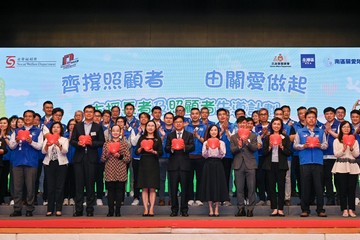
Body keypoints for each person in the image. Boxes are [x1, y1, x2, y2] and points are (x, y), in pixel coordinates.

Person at [70, 105, 105, 217]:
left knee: (90, 185)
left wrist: (92, 144)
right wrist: (78, 144)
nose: (89, 114)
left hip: (91, 158)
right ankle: (79, 209)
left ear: (94, 114)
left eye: (91, 112)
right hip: (79, 158)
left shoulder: (98, 127)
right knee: (79, 185)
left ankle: (90, 209)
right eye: (87, 112)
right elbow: (72, 141)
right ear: (84, 113)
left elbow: (102, 142)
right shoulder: (78, 126)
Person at [294, 110, 328, 217]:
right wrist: (303, 146)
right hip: (305, 162)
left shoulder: (321, 132)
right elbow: (295, 145)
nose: (311, 119)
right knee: (305, 186)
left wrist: (319, 146)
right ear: (305, 119)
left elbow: (325, 145)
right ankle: (305, 209)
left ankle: (320, 209)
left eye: (313, 117)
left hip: (318, 162)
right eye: (309, 117)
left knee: (319, 187)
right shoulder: (300, 131)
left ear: (316, 119)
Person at [9, 110, 43, 217]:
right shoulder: (17, 131)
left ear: (34, 118)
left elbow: (40, 146)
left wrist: (30, 141)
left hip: (31, 162)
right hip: (18, 161)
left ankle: (29, 209)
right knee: (17, 187)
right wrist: (16, 140)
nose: (27, 118)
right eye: (26, 116)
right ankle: (17, 209)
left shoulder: (38, 131)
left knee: (30, 187)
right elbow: (11, 146)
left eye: (30, 116)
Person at [165, 116, 195, 217]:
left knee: (185, 189)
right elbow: (166, 148)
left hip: (185, 165)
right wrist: (172, 149)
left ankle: (184, 210)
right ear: (174, 124)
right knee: (173, 189)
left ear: (183, 123)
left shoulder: (189, 135)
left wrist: (184, 147)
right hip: (173, 166)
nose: (178, 124)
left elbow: (192, 146)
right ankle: (174, 210)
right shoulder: (170, 135)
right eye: (176, 122)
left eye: (180, 122)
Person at [262, 117, 292, 217]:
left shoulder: (285, 137)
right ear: (271, 125)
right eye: (274, 124)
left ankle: (281, 209)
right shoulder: (267, 137)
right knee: (271, 187)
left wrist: (282, 147)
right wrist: (270, 147)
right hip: (270, 166)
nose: (276, 126)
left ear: (281, 126)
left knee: (281, 187)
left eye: (278, 124)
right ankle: (274, 208)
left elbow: (289, 152)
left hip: (281, 165)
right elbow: (263, 153)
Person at [230, 116, 258, 217]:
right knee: (239, 188)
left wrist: (247, 142)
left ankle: (250, 209)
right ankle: (241, 208)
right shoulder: (233, 137)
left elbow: (254, 148)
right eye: (240, 123)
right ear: (237, 125)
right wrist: (239, 146)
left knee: (251, 188)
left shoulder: (253, 136)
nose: (243, 124)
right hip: (238, 164)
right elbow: (232, 150)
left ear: (248, 124)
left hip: (250, 165)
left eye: (245, 123)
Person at [101, 124, 131, 217]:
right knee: (110, 192)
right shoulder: (106, 143)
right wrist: (108, 154)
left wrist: (120, 156)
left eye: (117, 131)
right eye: (113, 131)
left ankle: (118, 211)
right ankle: (110, 211)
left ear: (121, 132)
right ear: (111, 131)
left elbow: (128, 158)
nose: (115, 133)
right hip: (110, 170)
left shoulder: (124, 144)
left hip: (121, 170)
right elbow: (102, 159)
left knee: (119, 191)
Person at [332, 120, 360, 217]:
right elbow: (336, 154)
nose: (346, 129)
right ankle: (344, 209)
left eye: (348, 127)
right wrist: (343, 148)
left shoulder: (355, 141)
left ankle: (351, 209)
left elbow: (356, 154)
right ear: (341, 129)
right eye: (344, 127)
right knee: (342, 189)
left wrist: (351, 148)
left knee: (351, 189)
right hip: (341, 167)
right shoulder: (336, 141)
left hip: (352, 167)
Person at [136, 120, 163, 216]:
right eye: (148, 125)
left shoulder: (157, 138)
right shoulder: (142, 138)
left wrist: (154, 152)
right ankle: (145, 209)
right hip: (143, 163)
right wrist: (140, 149)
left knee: (152, 188)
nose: (150, 127)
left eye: (152, 125)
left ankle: (151, 209)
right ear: (145, 127)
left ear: (155, 128)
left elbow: (161, 152)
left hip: (153, 163)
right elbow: (136, 151)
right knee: (144, 188)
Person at [200, 124, 228, 217]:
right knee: (209, 185)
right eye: (212, 130)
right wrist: (207, 149)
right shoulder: (205, 142)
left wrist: (219, 148)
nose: (213, 132)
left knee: (217, 185)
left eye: (215, 130)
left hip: (218, 164)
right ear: (209, 132)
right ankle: (210, 209)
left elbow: (222, 155)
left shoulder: (222, 142)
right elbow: (204, 155)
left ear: (218, 132)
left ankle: (217, 208)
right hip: (208, 164)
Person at [42, 122, 69, 216]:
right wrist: (47, 145)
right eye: (54, 127)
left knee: (59, 187)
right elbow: (43, 151)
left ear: (61, 129)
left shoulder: (64, 139)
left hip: (61, 164)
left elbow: (65, 151)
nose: (56, 129)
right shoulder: (47, 138)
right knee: (50, 187)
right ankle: (50, 209)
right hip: (49, 164)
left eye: (58, 127)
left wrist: (59, 145)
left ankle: (58, 209)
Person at [185, 107, 206, 206]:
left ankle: (199, 198)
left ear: (199, 115)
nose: (194, 115)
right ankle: (189, 198)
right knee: (188, 179)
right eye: (192, 113)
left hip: (201, 156)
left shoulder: (204, 127)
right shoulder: (186, 127)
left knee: (200, 179)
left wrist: (197, 136)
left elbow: (206, 142)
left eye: (196, 113)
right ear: (190, 116)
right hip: (188, 156)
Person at [129, 112, 150, 206]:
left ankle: (148, 198)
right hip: (137, 158)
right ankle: (136, 197)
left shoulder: (151, 129)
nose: (143, 119)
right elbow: (133, 143)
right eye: (141, 117)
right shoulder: (135, 129)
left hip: (148, 158)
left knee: (148, 179)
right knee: (136, 179)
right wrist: (139, 133)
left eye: (145, 117)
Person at [322, 106, 340, 205]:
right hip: (325, 156)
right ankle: (330, 199)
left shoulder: (339, 124)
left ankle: (340, 198)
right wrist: (324, 132)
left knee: (338, 179)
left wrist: (329, 131)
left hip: (336, 156)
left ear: (334, 115)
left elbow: (341, 137)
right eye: (327, 114)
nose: (329, 116)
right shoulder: (322, 126)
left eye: (331, 114)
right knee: (327, 178)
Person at [157, 112, 174, 206]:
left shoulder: (175, 130)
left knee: (172, 179)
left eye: (170, 118)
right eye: (167, 118)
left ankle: (172, 198)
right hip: (161, 158)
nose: (168, 120)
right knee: (161, 179)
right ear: (164, 119)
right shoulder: (159, 130)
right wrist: (162, 138)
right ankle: (161, 198)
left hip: (172, 158)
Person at [63, 119, 76, 206]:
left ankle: (72, 198)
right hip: (65, 161)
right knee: (65, 180)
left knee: (74, 180)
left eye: (74, 124)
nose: (72, 126)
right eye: (70, 124)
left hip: (75, 161)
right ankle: (64, 198)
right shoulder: (64, 135)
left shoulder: (79, 136)